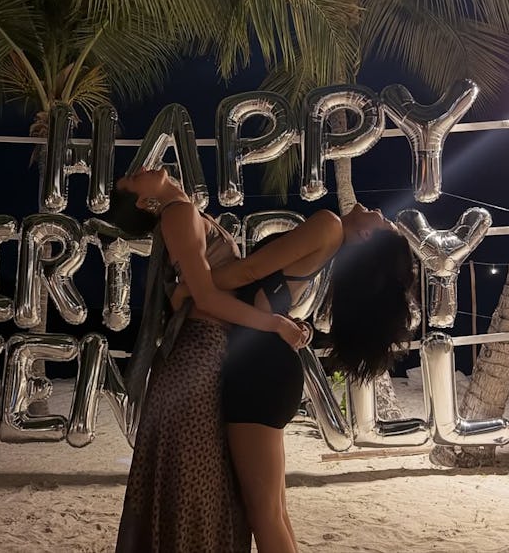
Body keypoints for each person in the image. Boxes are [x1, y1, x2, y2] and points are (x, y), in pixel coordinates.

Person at [179, 203, 417, 553]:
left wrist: (192, 287)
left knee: (264, 514)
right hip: (269, 371)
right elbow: (269, 295)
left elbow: (248, 272)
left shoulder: (328, 225)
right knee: (273, 511)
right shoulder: (330, 242)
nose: (379, 210)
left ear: (366, 234)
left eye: (383, 221)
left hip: (258, 371)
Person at [106, 166, 308, 553]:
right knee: (197, 488)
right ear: (143, 202)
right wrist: (274, 324)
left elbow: (193, 291)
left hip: (201, 356)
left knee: (200, 486)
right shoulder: (178, 214)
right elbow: (208, 298)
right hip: (200, 356)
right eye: (130, 180)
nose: (138, 169)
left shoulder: (183, 213)